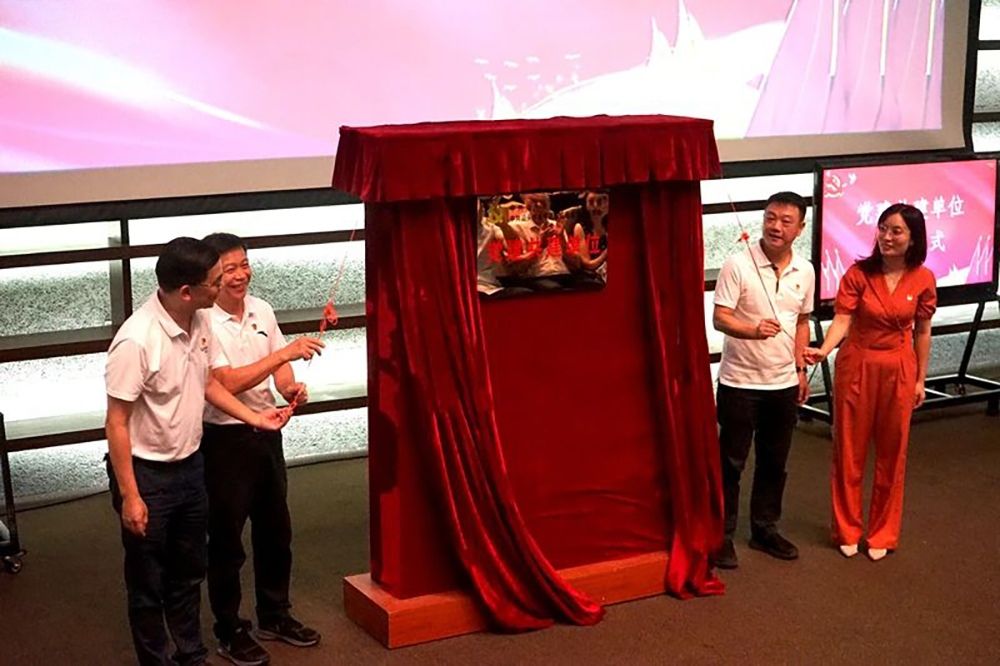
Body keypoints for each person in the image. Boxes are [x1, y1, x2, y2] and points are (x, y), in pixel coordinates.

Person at [105, 237, 288, 666]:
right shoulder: (136, 340)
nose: (223, 286)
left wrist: (255, 418)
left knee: (188, 574)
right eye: (215, 281)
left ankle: (192, 656)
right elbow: (116, 423)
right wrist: (131, 495)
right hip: (147, 475)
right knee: (148, 583)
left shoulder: (198, 319)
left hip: (190, 466)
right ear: (187, 291)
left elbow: (207, 384)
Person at [200, 233, 325, 665]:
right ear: (212, 275)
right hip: (223, 440)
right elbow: (225, 383)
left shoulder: (262, 309)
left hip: (267, 434)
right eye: (229, 269)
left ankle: (275, 614)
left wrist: (290, 387)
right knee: (227, 540)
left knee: (276, 532)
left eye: (244, 265)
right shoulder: (203, 322)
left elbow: (280, 369)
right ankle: (229, 629)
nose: (240, 275)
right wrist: (282, 356)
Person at [804, 203, 936, 561]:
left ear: (913, 239)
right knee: (849, 450)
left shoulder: (923, 278)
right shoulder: (858, 273)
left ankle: (882, 532)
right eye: (883, 228)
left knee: (893, 453)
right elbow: (842, 320)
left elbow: (923, 331)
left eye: (896, 231)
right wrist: (824, 350)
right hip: (858, 366)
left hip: (899, 368)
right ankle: (847, 529)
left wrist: (921, 379)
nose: (886, 237)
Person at [711, 191, 814, 569]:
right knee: (730, 462)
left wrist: (800, 369)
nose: (776, 226)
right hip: (739, 382)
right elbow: (720, 318)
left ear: (800, 228)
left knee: (775, 461)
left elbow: (801, 322)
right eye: (770, 217)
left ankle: (765, 528)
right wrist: (752, 330)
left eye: (786, 221)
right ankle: (720, 534)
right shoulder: (738, 264)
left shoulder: (805, 270)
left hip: (782, 384)